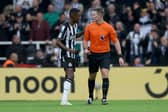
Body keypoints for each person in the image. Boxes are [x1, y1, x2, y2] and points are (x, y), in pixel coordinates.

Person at [83, 7, 124, 105]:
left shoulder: (108, 27)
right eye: (92, 15)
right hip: (93, 54)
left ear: (100, 15)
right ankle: (90, 96)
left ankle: (104, 98)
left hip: (105, 54)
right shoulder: (89, 27)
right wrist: (86, 49)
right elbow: (85, 40)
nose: (93, 16)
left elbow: (116, 41)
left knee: (105, 74)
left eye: (94, 15)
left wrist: (120, 56)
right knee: (92, 76)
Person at [56, 8, 83, 105]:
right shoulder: (65, 26)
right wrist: (69, 50)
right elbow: (58, 41)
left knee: (69, 75)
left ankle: (64, 99)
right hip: (65, 54)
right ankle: (63, 100)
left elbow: (73, 37)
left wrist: (84, 32)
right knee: (70, 74)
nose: (80, 17)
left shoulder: (75, 25)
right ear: (73, 16)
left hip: (72, 55)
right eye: (78, 15)